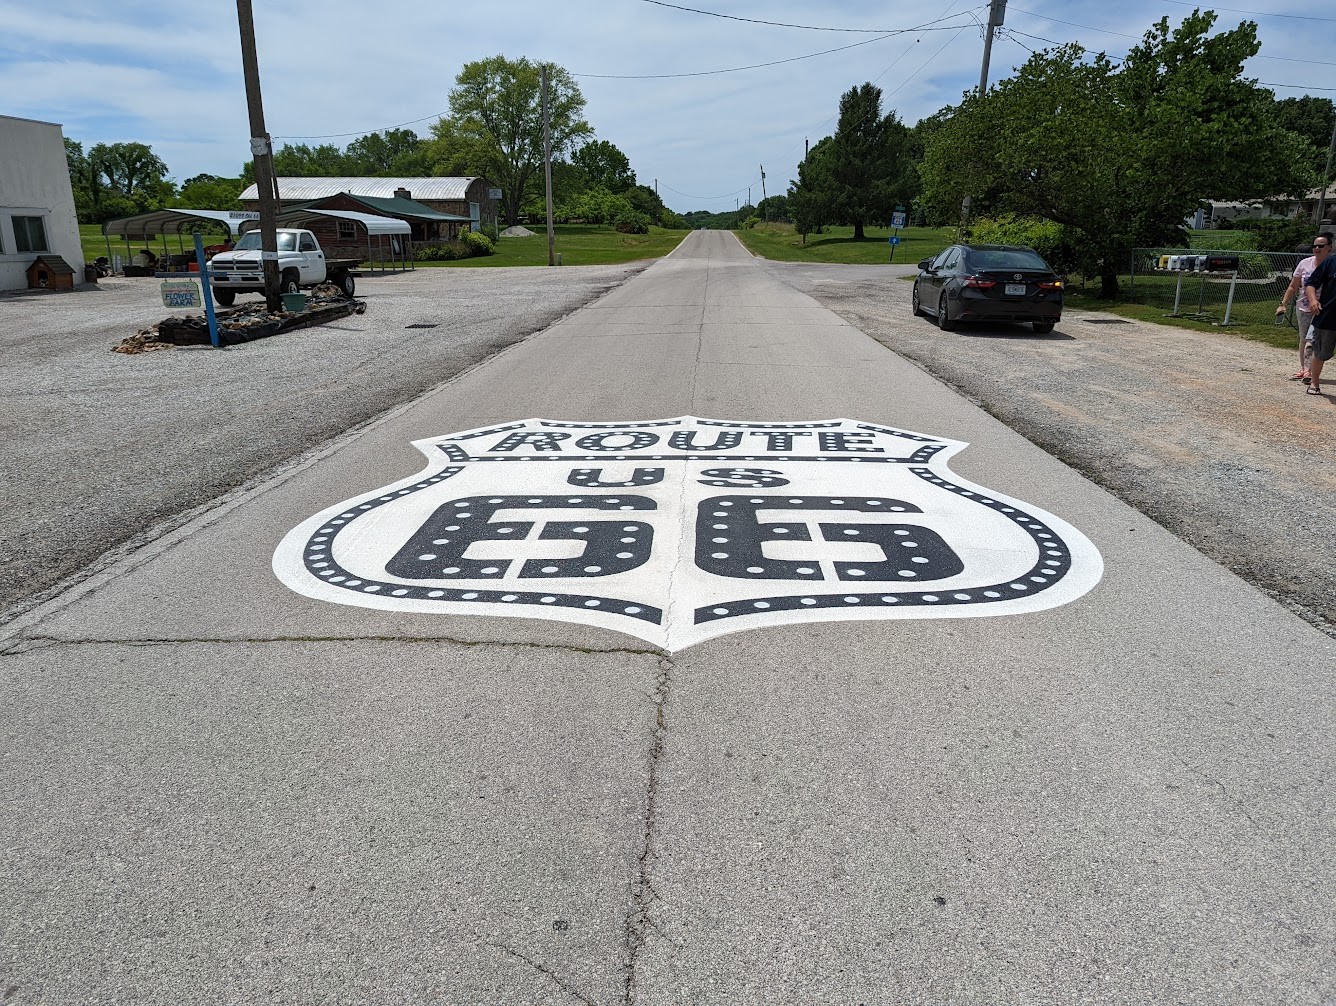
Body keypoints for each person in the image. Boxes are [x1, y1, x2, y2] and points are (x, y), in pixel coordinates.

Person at [1278, 234, 1331, 380]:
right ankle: (1303, 369)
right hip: (1303, 307)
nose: (1317, 248)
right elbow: (1293, 286)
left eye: (1321, 246)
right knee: (1304, 338)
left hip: (1324, 309)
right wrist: (1283, 304)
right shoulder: (1304, 264)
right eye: (1315, 246)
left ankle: (1309, 371)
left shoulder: (1332, 264)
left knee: (1312, 339)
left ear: (1329, 248)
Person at [1302, 235, 1336, 396]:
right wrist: (1313, 300)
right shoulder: (1331, 262)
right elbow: (1311, 283)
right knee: (1320, 351)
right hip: (1328, 316)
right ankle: (1314, 383)